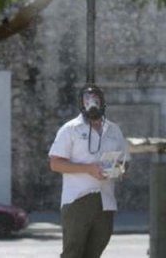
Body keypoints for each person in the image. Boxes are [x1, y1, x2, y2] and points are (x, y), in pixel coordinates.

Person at [48, 84, 130, 258]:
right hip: (78, 199)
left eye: (96, 100)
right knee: (73, 252)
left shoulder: (114, 130)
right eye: (87, 101)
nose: (92, 104)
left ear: (103, 102)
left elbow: (125, 161)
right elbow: (55, 164)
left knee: (95, 251)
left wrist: (118, 170)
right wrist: (88, 169)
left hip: (106, 200)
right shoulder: (70, 129)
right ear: (81, 104)